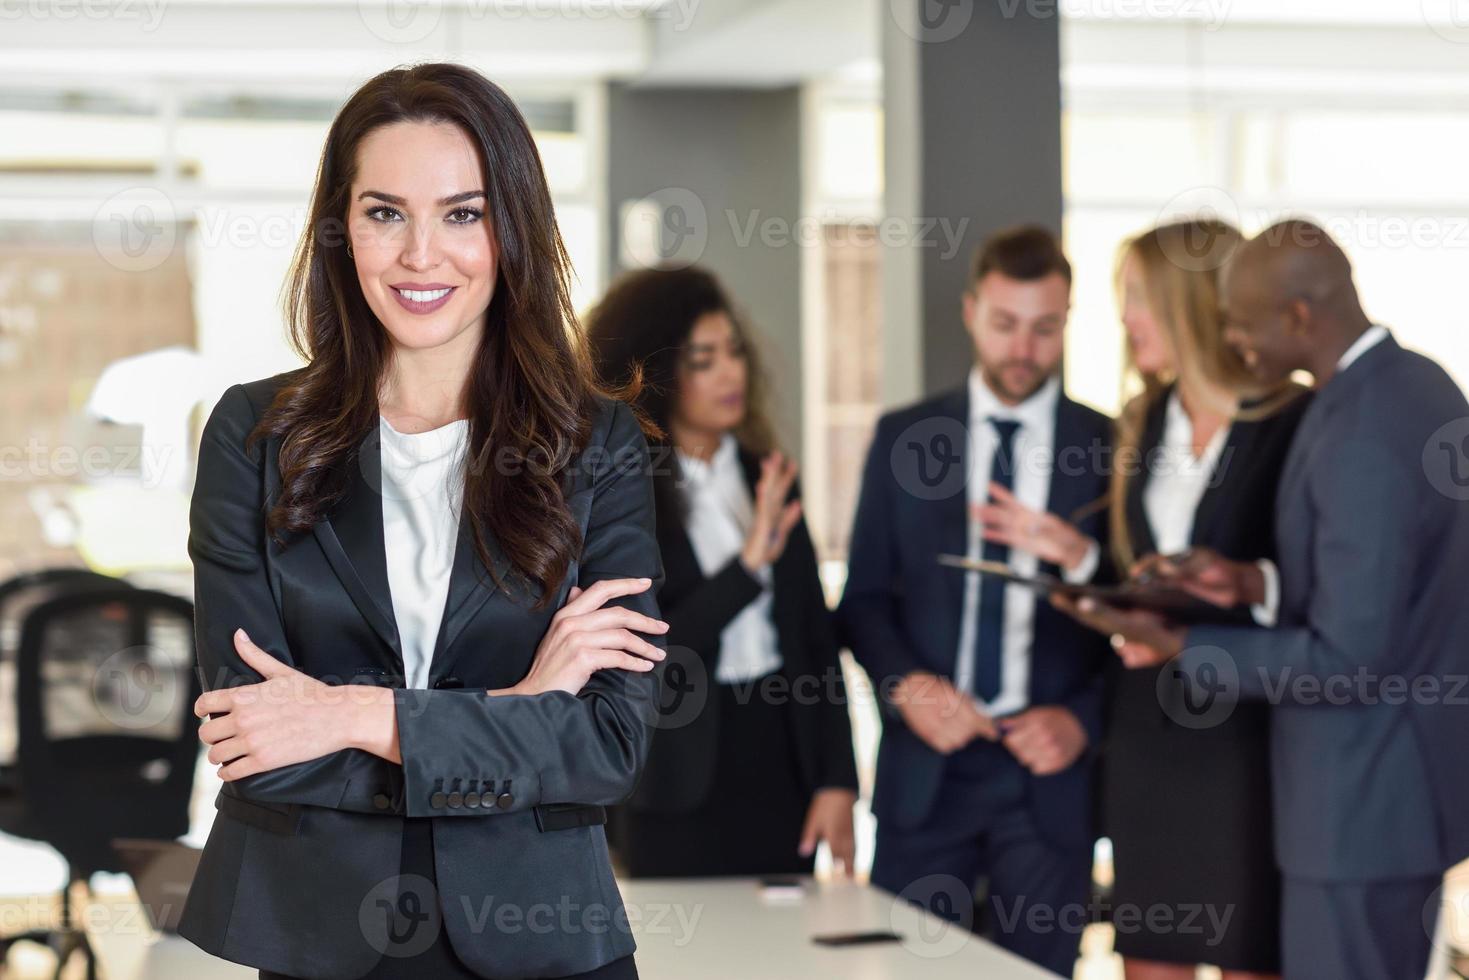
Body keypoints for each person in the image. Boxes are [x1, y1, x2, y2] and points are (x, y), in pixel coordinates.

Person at [177, 63, 668, 980]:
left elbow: (608, 745)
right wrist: (520, 709)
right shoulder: (253, 434)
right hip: (318, 935)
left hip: (542, 939)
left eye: (463, 213)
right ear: (340, 228)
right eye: (384, 212)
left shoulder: (591, 443)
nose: (419, 255)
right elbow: (255, 745)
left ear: (511, 228)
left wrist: (351, 715)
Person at [1060, 219, 1469, 979]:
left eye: (1243, 326)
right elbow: (1383, 584)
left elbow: (1347, 657)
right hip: (1389, 794)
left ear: (1299, 318)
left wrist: (1178, 647)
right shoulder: (1414, 384)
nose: (1236, 342)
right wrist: (1252, 582)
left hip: (1357, 802)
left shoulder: (1356, 427)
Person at [979, 219, 1310, 979]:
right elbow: (1148, 573)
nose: (1124, 317)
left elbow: (1305, 585)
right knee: (1149, 958)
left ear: (1189, 302)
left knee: (1247, 953)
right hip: (1145, 737)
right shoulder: (1142, 421)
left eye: (1135, 297)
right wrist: (1079, 561)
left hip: (1243, 739)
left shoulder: (1288, 420)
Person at [838, 225, 1113, 976]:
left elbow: (1142, 624)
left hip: (1048, 779)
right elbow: (861, 601)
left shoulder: (1111, 447)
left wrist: (1080, 722)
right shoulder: (905, 437)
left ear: (1067, 321)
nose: (1022, 349)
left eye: (1044, 328)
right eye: (1004, 324)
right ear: (969, 312)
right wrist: (906, 688)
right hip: (926, 771)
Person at [587, 265, 859, 879]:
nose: (731, 372)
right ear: (657, 371)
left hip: (782, 757)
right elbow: (645, 646)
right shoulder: (624, 492)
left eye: (734, 352)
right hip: (675, 769)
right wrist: (747, 568)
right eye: (703, 360)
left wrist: (838, 779)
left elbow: (816, 641)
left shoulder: (770, 475)